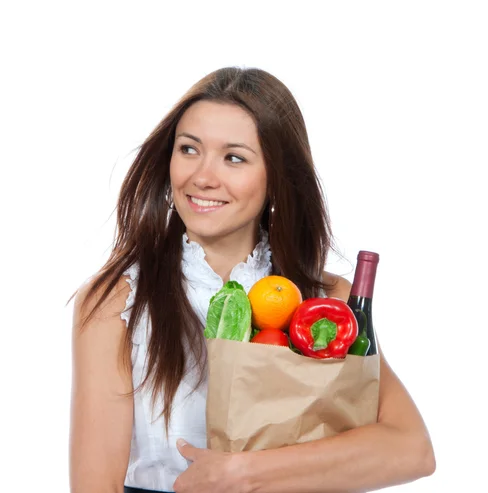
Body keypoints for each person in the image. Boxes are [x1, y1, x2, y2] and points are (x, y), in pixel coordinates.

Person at [68, 67, 435, 493]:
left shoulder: (326, 303)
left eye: (234, 158)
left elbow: (412, 450)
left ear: (277, 178)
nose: (202, 177)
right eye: (189, 149)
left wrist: (243, 474)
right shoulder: (119, 301)